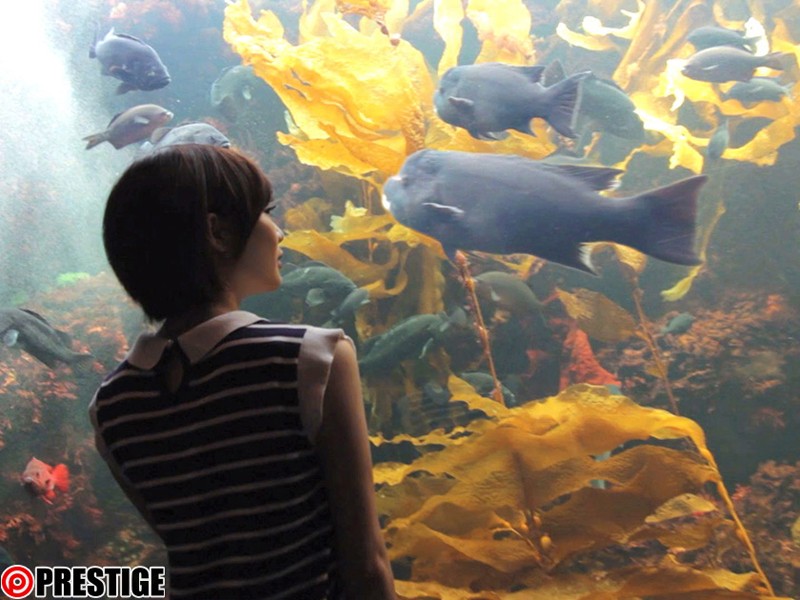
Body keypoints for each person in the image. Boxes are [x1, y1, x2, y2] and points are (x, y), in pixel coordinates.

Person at [90, 144, 397, 599]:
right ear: (217, 232)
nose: (279, 231)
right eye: (266, 213)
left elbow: (196, 549)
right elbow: (366, 565)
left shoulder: (111, 406)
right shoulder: (313, 359)